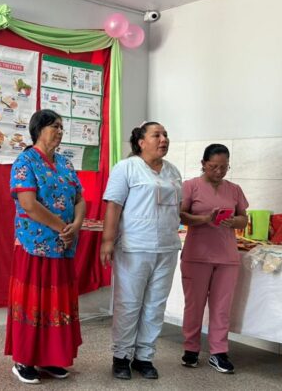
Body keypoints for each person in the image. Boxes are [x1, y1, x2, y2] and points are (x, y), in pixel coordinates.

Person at [5, 109, 86, 385]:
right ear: (38, 130)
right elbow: (28, 203)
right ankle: (24, 359)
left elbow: (79, 199)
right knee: (33, 302)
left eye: (62, 126)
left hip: (63, 246)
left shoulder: (65, 163)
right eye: (55, 126)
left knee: (56, 302)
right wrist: (61, 227)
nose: (60, 131)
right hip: (34, 245)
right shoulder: (24, 162)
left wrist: (75, 225)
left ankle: (51, 358)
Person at [101, 121, 182, 380]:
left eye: (165, 135)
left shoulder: (173, 171)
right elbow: (113, 205)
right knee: (129, 303)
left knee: (155, 304)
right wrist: (108, 241)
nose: (163, 139)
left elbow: (176, 210)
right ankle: (121, 356)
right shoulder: (126, 168)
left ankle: (144, 356)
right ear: (141, 142)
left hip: (167, 247)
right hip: (135, 247)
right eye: (156, 135)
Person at [178, 144, 248, 373]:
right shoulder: (190, 186)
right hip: (197, 255)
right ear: (203, 164)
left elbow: (243, 219)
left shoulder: (234, 189)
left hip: (227, 256)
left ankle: (218, 352)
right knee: (194, 305)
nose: (219, 171)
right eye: (213, 166)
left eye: (224, 167)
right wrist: (205, 219)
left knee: (221, 307)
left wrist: (233, 222)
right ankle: (191, 349)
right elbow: (181, 216)